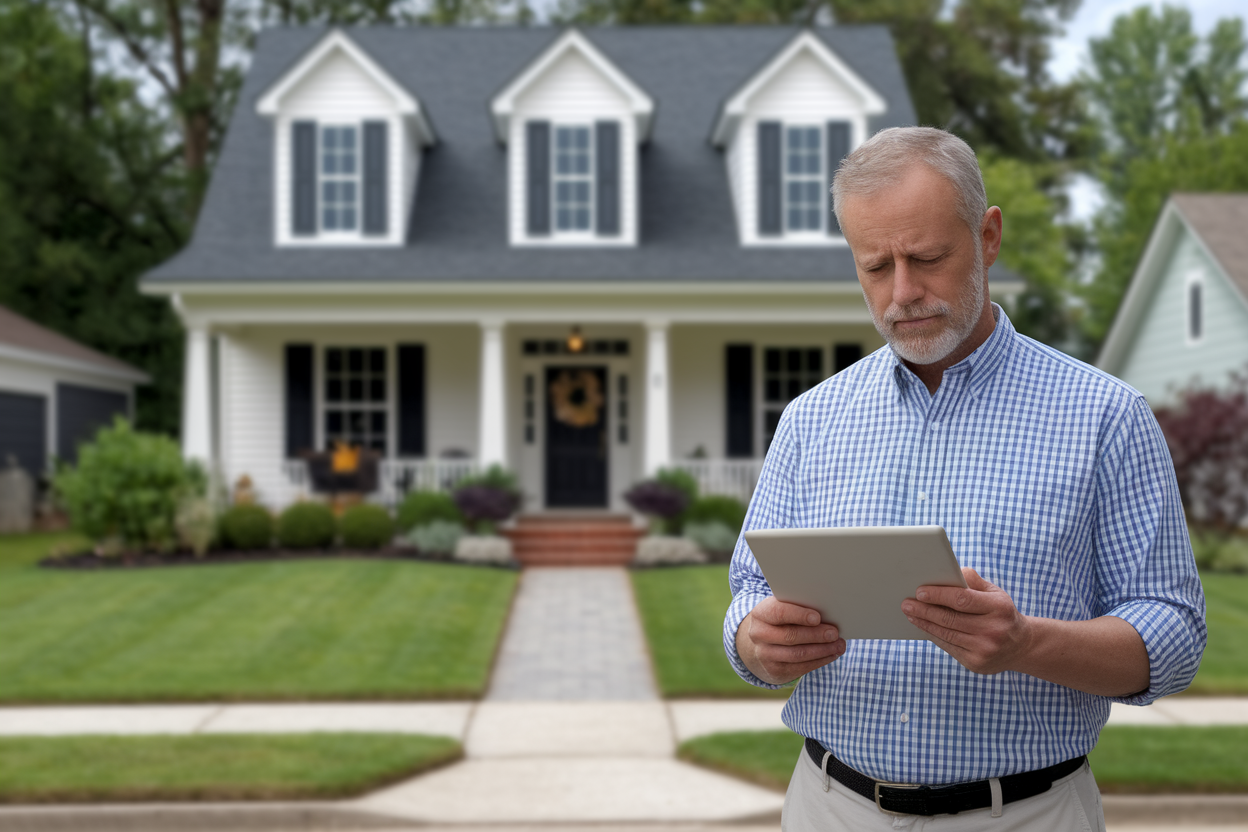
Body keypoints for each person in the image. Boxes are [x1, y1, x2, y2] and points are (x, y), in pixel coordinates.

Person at [724, 126, 1206, 830]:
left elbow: (1175, 637)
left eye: (927, 258)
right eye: (875, 266)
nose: (903, 292)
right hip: (828, 807)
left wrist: (1026, 644)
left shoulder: (1106, 417)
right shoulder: (810, 420)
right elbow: (750, 592)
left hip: (1027, 813)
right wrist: (755, 643)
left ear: (987, 236)